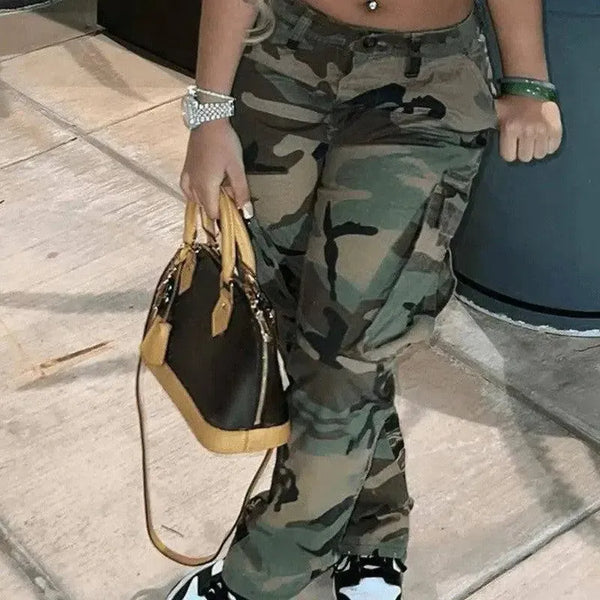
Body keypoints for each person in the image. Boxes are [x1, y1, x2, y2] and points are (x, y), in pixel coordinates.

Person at [171, 0, 563, 598]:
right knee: (301, 320)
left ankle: (269, 569)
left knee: (349, 339)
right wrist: (208, 114)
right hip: (282, 63)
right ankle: (375, 526)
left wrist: (528, 79)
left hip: (427, 86)